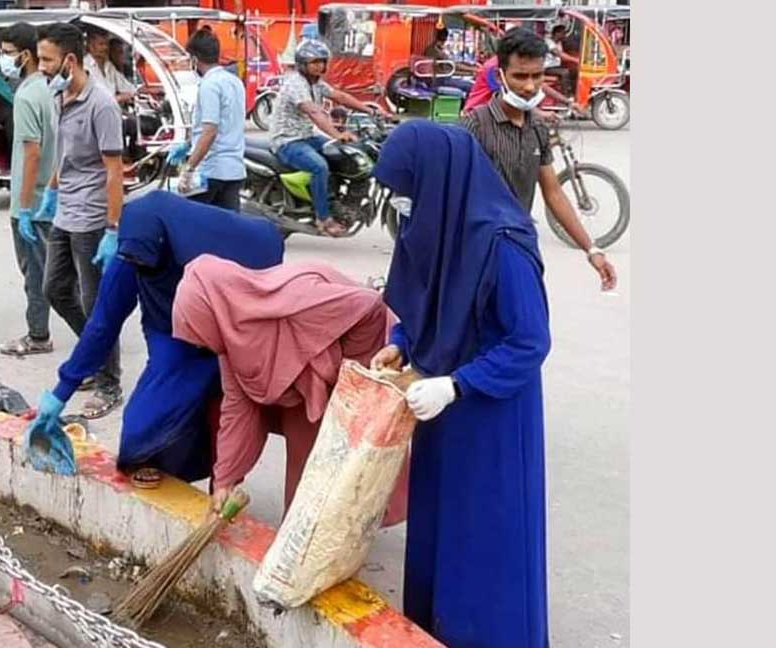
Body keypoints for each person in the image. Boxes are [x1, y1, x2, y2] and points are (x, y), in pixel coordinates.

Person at [370, 120, 552, 648]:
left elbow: (529, 342)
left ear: (438, 182)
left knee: (485, 539)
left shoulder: (502, 243)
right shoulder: (435, 229)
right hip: (439, 413)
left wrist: (458, 385)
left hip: (490, 416)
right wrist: (402, 342)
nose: (405, 207)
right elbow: (424, 299)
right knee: (439, 533)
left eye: (410, 193)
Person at [28, 191, 284, 484]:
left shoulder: (250, 244)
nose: (140, 265)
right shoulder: (138, 246)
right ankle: (160, 462)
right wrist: (61, 392)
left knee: (228, 415)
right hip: (173, 334)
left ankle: (223, 485)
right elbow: (102, 325)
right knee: (143, 430)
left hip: (238, 332)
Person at [171, 254, 409, 522]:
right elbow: (238, 411)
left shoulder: (297, 298)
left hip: (366, 365)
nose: (203, 345)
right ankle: (307, 537)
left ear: (214, 312)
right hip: (310, 388)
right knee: (307, 474)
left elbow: (370, 308)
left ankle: (344, 531)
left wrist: (346, 376)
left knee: (353, 467)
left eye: (201, 332)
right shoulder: (233, 341)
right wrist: (225, 481)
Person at [462, 28, 617, 291]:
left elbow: (553, 193)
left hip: (521, 245)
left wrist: (591, 249)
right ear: (500, 76)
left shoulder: (537, 127)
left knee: (530, 327)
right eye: (520, 76)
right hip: (476, 252)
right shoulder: (475, 125)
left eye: (537, 76)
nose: (530, 86)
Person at [36, 23, 126, 419]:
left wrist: (112, 228)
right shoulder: (60, 97)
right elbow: (65, 154)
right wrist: (50, 193)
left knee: (97, 306)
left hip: (92, 218)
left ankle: (109, 384)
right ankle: (90, 356)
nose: (41, 67)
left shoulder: (102, 105)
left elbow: (113, 171)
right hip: (65, 212)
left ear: (69, 61)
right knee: (54, 289)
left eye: (46, 60)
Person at [269, 39, 380, 236]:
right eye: (315, 62)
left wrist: (370, 110)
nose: (320, 66)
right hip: (287, 141)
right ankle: (323, 218)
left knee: (344, 153)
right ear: (303, 63)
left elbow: (340, 97)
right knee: (319, 166)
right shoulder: (296, 83)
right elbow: (314, 112)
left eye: (322, 61)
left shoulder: (317, 84)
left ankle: (335, 199)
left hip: (306, 137)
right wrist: (338, 134)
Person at [0, 23, 58, 358]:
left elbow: (32, 152)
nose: (2, 59)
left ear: (24, 55)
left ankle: (38, 336)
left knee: (35, 272)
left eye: (6, 53)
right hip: (49, 196)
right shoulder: (49, 89)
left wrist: (22, 206)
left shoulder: (25, 96)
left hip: (32, 202)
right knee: (53, 269)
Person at [178, 28, 247, 211]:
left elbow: (210, 130)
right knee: (228, 231)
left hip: (212, 171)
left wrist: (189, 168)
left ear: (194, 59)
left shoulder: (209, 85)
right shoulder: (234, 82)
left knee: (198, 229)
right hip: (234, 170)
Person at [84, 28, 136, 106]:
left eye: (106, 44)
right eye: (101, 44)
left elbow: (125, 86)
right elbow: (92, 101)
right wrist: (119, 98)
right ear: (90, 46)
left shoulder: (109, 65)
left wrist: (140, 91)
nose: (105, 47)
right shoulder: (84, 67)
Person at [544, 23, 579, 98]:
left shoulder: (560, 42)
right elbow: (559, 54)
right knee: (564, 72)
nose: (565, 35)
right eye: (563, 33)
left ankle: (574, 92)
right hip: (547, 68)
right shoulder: (548, 42)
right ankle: (565, 96)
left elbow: (570, 48)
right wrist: (575, 60)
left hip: (556, 66)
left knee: (574, 70)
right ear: (557, 33)